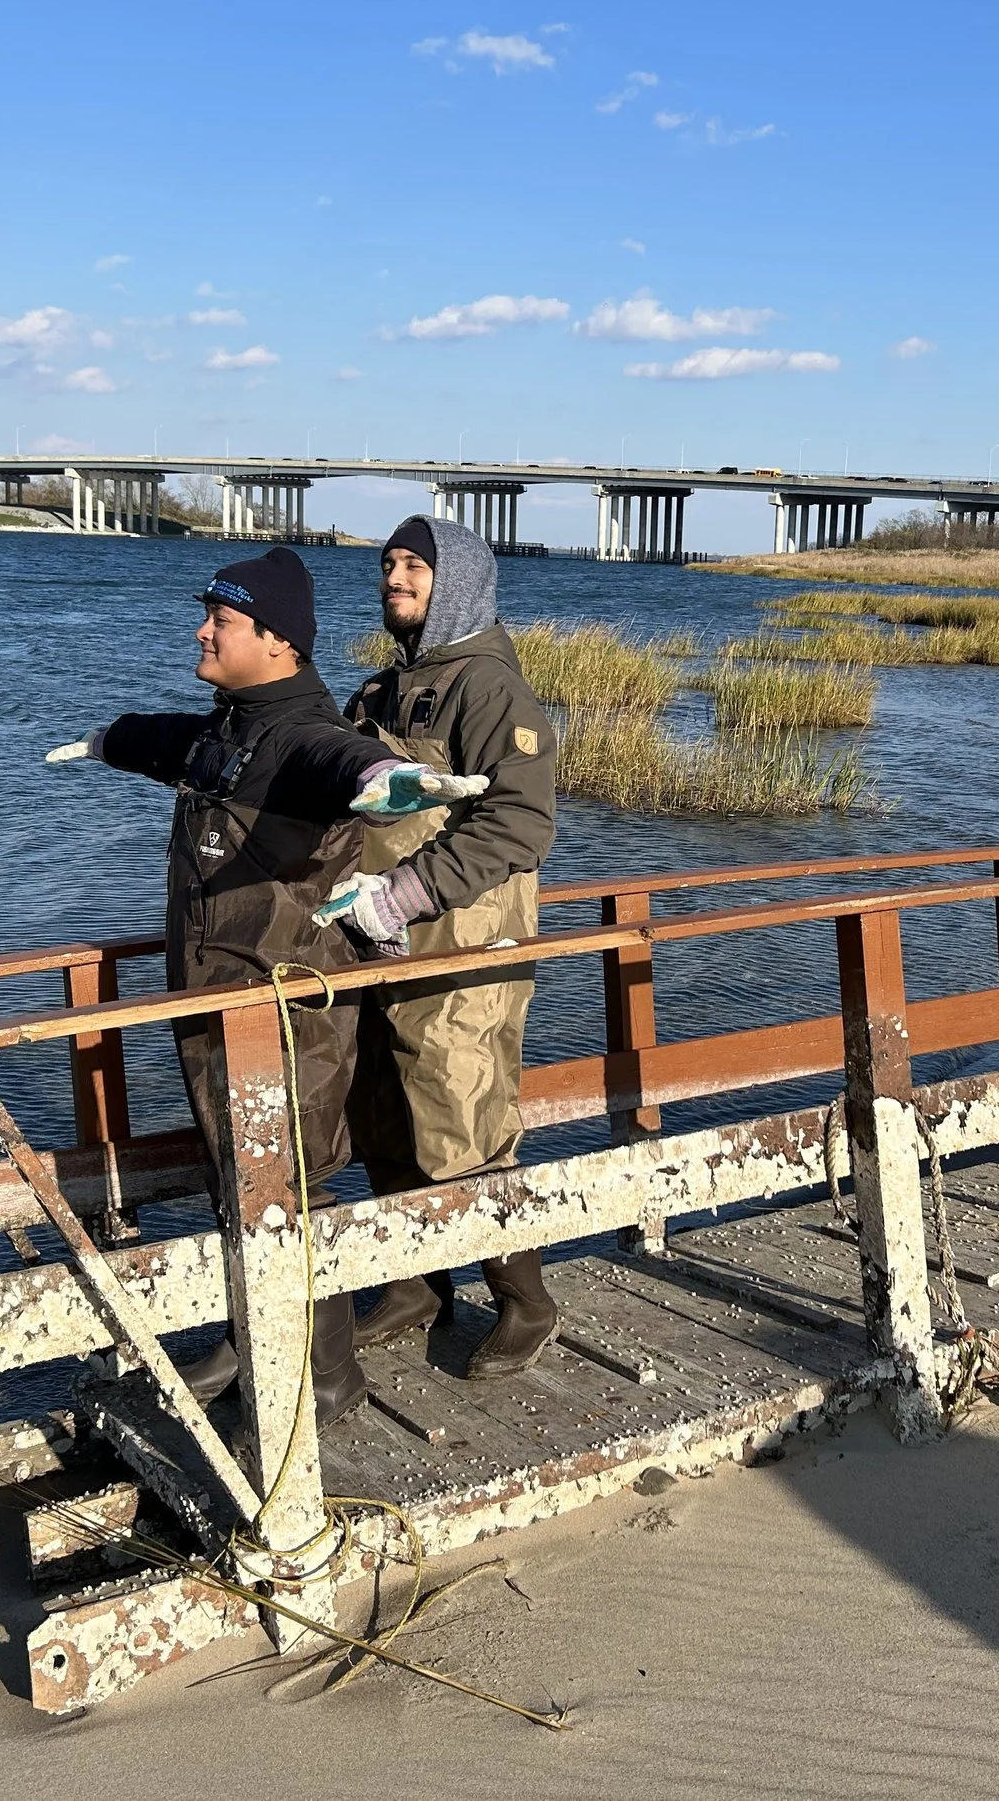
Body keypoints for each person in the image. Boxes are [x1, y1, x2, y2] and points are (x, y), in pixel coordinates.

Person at [46, 546, 485, 1421]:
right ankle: (254, 1337)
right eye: (206, 613)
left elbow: (344, 763)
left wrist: (392, 783)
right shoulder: (232, 724)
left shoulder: (298, 735)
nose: (203, 630)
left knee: (290, 1183)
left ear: (279, 641)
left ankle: (325, 1376)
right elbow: (168, 741)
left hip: (290, 1008)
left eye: (224, 620)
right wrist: (108, 740)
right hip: (213, 996)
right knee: (235, 1172)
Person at [322, 515, 560, 1378]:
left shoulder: (491, 688)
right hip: (381, 948)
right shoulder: (385, 690)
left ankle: (527, 1300)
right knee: (384, 1111)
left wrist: (406, 892)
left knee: (462, 1118)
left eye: (414, 565)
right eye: (388, 563)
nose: (394, 576)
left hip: (465, 947)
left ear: (457, 578)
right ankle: (419, 1286)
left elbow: (523, 822)